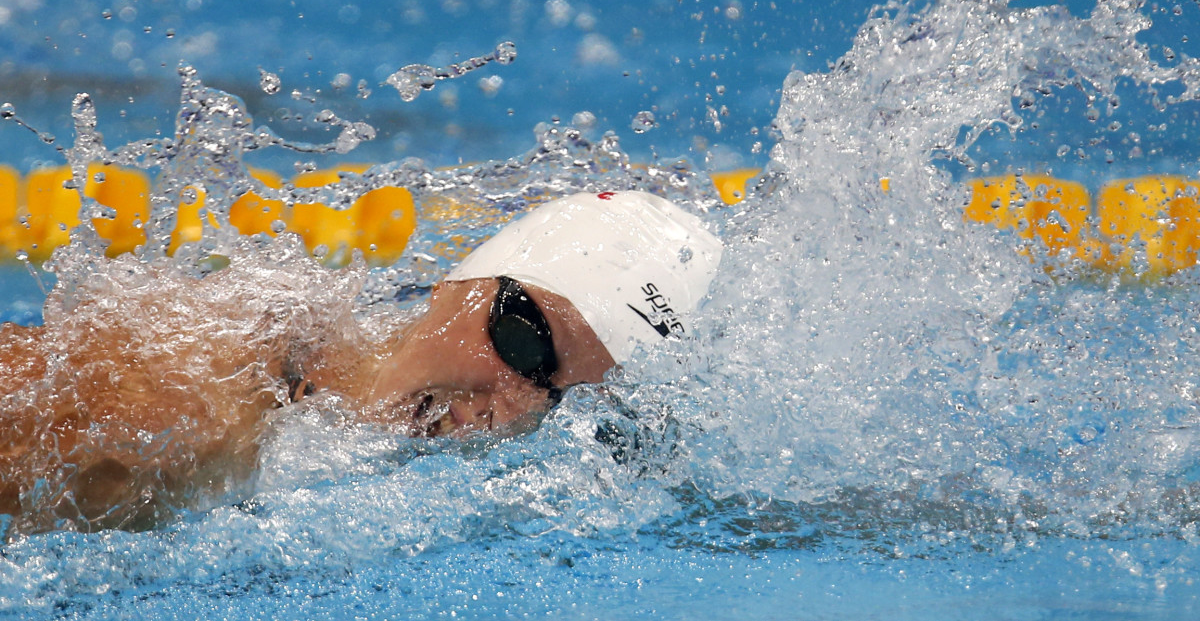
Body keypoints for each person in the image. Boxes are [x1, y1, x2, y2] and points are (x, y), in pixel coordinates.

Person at [0, 190, 722, 533]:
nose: (517, 407)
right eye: (526, 344)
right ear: (465, 280)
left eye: (561, 398)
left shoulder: (332, 412)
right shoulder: (186, 406)